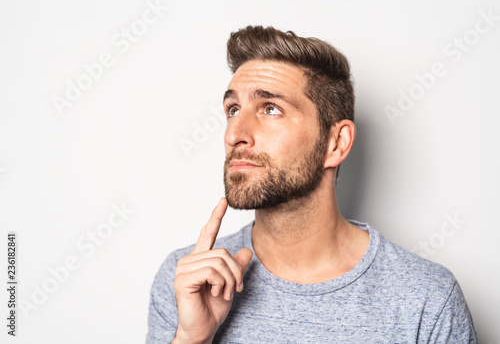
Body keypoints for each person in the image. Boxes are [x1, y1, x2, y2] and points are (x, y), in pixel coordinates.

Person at [146, 25, 477, 343]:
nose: (235, 135)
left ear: (336, 142)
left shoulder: (426, 299)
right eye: (233, 109)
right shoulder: (187, 282)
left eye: (270, 109)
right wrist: (192, 339)